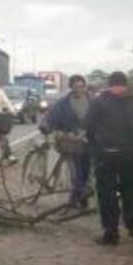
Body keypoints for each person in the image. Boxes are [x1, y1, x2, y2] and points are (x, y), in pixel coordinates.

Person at [85, 71, 133, 245]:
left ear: (109, 84)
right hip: (129, 153)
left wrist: (93, 144)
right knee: (130, 191)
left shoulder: (99, 102)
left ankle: (111, 233)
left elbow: (89, 126)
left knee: (107, 194)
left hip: (106, 154)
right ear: (126, 84)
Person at [44, 74, 92, 208]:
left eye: (82, 86)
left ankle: (79, 195)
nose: (79, 89)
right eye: (76, 87)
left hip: (87, 142)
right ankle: (77, 197)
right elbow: (51, 118)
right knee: (77, 171)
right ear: (71, 88)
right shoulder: (63, 103)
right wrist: (56, 131)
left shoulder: (91, 101)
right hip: (69, 142)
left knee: (86, 169)